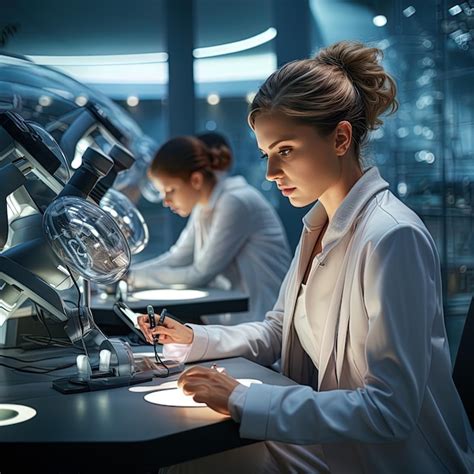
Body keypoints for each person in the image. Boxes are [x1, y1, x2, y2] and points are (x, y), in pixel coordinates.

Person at [138, 41, 474, 473]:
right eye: (266, 154)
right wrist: (195, 340)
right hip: (336, 444)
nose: (270, 173)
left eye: (286, 150)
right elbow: (280, 329)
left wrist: (241, 397)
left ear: (340, 138)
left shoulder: (392, 236)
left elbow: (390, 410)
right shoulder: (320, 225)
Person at [130, 133, 291, 324]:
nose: (165, 201)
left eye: (170, 190)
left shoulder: (235, 201)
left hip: (263, 322)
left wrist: (132, 278)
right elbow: (178, 256)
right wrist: (128, 273)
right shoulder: (203, 205)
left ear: (196, 180)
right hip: (236, 321)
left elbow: (200, 273)